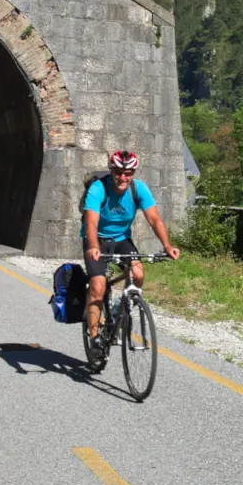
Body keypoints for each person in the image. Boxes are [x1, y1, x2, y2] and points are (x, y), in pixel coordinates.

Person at [82, 150, 179, 353]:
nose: (123, 177)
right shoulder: (99, 189)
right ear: (112, 170)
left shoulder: (138, 189)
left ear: (133, 173)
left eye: (128, 172)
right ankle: (94, 339)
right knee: (98, 285)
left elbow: (154, 219)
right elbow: (91, 222)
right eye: (118, 172)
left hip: (121, 239)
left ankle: (118, 311)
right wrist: (93, 246)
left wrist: (167, 246)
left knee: (138, 274)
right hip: (97, 239)